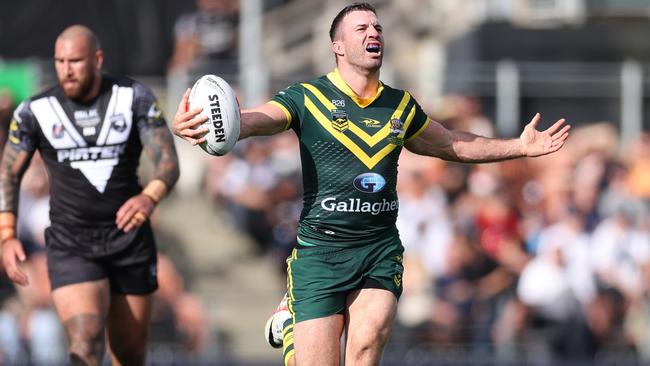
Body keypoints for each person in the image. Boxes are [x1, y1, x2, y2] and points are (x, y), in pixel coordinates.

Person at [171, 3, 570, 365]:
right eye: (360, 28)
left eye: (377, 26)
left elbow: (452, 144)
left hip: (377, 248)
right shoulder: (307, 97)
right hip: (321, 253)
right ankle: (292, 320)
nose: (373, 32)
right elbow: (257, 119)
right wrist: (206, 126)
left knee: (366, 347)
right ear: (338, 46)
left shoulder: (400, 105)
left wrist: (519, 145)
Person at [0, 25, 179, 366]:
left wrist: (149, 197)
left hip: (129, 241)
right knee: (84, 344)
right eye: (60, 61)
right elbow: (9, 172)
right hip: (72, 243)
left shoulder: (133, 97)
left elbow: (168, 164)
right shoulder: (35, 110)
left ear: (97, 59)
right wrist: (7, 235)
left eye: (76, 61)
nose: (66, 69)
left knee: (129, 352)